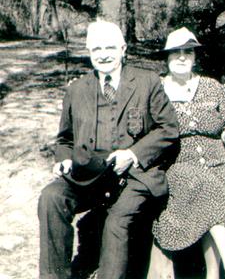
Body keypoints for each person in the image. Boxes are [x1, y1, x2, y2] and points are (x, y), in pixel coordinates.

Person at [38, 20, 179, 279]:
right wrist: (64, 159)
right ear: (89, 52)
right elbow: (65, 139)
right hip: (87, 175)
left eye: (110, 48)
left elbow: (168, 129)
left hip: (134, 176)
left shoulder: (147, 82)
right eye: (97, 49)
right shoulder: (76, 89)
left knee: (116, 222)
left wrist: (133, 154)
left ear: (123, 49)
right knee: (51, 198)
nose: (103, 55)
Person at [149, 27, 225, 279]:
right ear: (167, 58)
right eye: (176, 53)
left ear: (194, 57)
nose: (182, 57)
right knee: (205, 186)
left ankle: (215, 273)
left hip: (216, 163)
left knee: (213, 184)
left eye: (188, 52)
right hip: (177, 164)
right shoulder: (156, 91)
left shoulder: (213, 87)